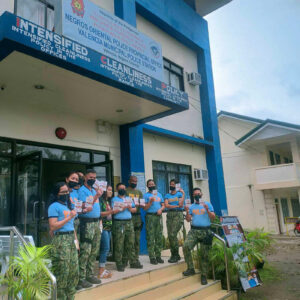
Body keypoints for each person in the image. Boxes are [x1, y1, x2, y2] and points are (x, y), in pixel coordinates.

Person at [48, 182, 79, 300]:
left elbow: (72, 226)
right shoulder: (54, 206)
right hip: (61, 240)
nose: (66, 194)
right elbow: (53, 226)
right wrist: (69, 217)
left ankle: (70, 297)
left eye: (67, 191)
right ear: (57, 194)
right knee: (62, 272)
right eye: (63, 192)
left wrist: (76, 242)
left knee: (73, 272)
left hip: (71, 239)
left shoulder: (68, 206)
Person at [182, 187, 215, 285]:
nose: (197, 195)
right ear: (193, 196)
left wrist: (207, 210)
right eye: (195, 194)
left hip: (206, 231)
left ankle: (204, 275)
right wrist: (187, 211)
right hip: (194, 231)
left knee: (205, 255)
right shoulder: (191, 206)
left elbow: (213, 217)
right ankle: (191, 268)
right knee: (186, 247)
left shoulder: (207, 204)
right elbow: (188, 219)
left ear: (201, 194)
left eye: (198, 194)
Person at [77, 169, 103, 289]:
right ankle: (81, 277)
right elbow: (85, 206)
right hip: (86, 223)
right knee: (85, 251)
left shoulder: (93, 190)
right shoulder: (81, 190)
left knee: (94, 249)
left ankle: (90, 274)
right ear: (85, 177)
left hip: (96, 223)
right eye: (90, 177)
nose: (92, 179)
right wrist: (96, 196)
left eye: (94, 178)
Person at [112, 183, 143, 272]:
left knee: (130, 242)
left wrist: (129, 208)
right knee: (119, 243)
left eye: (124, 188)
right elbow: (113, 211)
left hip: (129, 222)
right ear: (117, 190)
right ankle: (119, 263)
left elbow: (134, 209)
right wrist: (121, 207)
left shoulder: (129, 199)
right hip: (119, 223)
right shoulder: (114, 199)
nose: (123, 189)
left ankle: (132, 261)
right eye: (121, 188)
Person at [144, 179, 165, 264]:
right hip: (150, 217)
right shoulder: (146, 195)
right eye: (150, 184)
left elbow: (163, 205)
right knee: (150, 237)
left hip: (158, 217)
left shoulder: (159, 194)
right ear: (147, 186)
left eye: (153, 184)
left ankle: (158, 256)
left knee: (159, 237)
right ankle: (152, 257)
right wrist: (150, 202)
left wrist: (161, 209)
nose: (152, 185)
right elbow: (145, 208)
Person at [164, 179, 185, 263]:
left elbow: (181, 205)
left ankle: (175, 255)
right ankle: (175, 255)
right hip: (169, 216)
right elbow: (166, 205)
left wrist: (183, 193)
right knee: (170, 235)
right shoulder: (167, 195)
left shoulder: (179, 194)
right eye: (170, 184)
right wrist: (176, 206)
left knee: (173, 234)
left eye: (173, 184)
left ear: (176, 186)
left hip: (178, 215)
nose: (171, 185)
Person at [125, 175, 143, 268]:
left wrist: (140, 204)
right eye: (133, 181)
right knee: (129, 240)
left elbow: (143, 205)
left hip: (138, 218)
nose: (134, 183)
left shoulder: (139, 192)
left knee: (137, 240)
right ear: (129, 181)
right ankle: (129, 260)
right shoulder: (125, 191)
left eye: (136, 181)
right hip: (128, 217)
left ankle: (136, 258)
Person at [98, 185, 115, 279]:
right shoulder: (100, 201)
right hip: (103, 227)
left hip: (109, 227)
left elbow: (110, 212)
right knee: (105, 248)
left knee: (107, 249)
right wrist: (111, 212)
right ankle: (101, 271)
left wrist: (113, 211)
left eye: (111, 190)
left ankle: (103, 269)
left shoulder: (108, 201)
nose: (110, 192)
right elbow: (100, 213)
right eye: (109, 190)